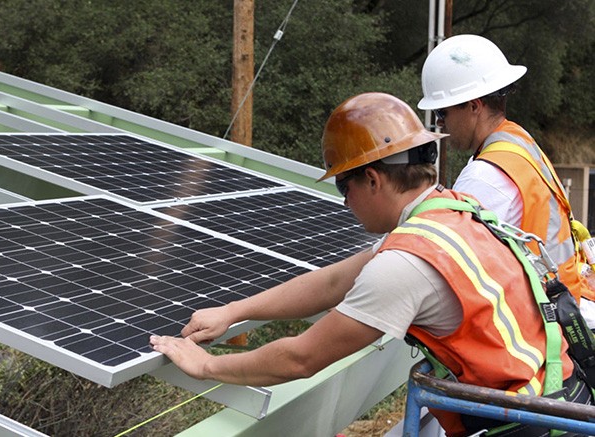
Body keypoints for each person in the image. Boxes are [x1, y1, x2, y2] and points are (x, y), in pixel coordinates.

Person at [150, 92, 592, 437]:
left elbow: (301, 357)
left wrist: (205, 366)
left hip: (522, 427)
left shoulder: (407, 263)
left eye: (344, 188)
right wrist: (234, 311)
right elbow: (336, 281)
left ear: (373, 179)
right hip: (554, 402)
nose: (345, 204)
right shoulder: (452, 211)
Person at [417, 34, 595, 326]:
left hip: (548, 324)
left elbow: (445, 267)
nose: (439, 123)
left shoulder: (485, 177)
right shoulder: (517, 140)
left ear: (474, 106)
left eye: (442, 112)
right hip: (566, 302)